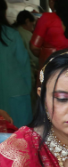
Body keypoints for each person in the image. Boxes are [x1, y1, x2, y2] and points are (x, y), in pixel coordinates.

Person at [0, 0, 32, 128]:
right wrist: (28, 89)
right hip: (16, 92)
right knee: (19, 134)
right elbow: (24, 64)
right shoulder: (11, 34)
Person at [30, 0, 68, 70]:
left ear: (51, 1)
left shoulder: (46, 18)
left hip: (53, 68)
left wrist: (45, 55)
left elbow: (34, 47)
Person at [15, 10, 39, 76]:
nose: (33, 29)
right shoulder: (27, 35)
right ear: (27, 21)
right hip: (29, 71)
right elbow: (33, 57)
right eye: (33, 25)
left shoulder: (14, 32)